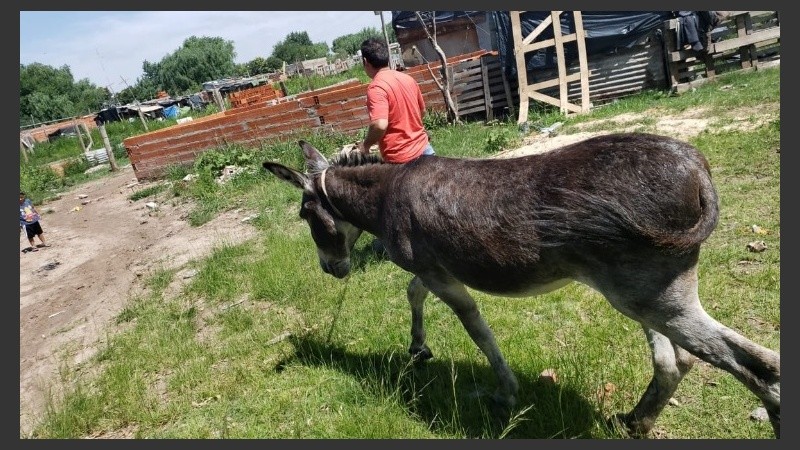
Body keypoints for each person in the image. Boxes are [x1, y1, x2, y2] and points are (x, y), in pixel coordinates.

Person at [356, 37, 435, 161]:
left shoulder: (377, 87)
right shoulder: (408, 79)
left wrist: (366, 145)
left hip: (402, 160)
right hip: (426, 150)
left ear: (365, 61)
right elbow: (422, 111)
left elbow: (380, 125)